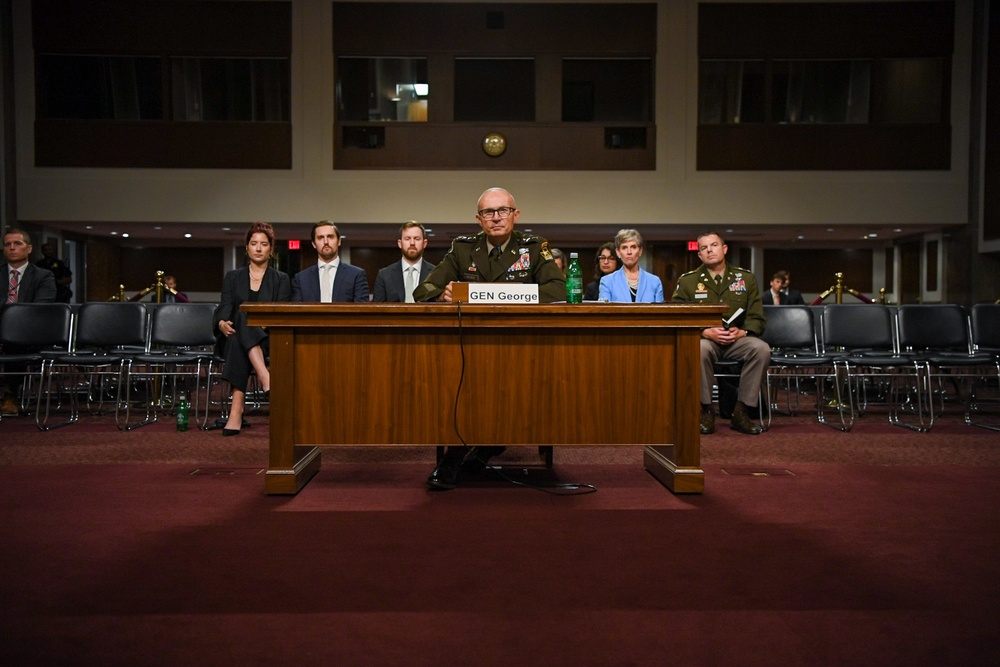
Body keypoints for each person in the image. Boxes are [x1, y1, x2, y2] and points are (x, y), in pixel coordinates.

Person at [413, 187, 565, 489]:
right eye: (488, 212)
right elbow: (423, 292)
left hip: (521, 346)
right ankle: (457, 458)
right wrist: (443, 297)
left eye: (503, 210)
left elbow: (557, 291)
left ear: (516, 215)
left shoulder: (534, 247)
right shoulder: (463, 249)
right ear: (479, 219)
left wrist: (505, 295)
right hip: (471, 347)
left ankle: (483, 449)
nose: (496, 218)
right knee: (461, 389)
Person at [672, 232, 769, 436]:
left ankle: (741, 411)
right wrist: (705, 331)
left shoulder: (745, 278)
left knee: (761, 349)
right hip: (706, 340)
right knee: (698, 350)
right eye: (704, 248)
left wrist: (743, 331)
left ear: (724, 249)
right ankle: (706, 410)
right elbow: (678, 314)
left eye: (714, 245)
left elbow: (757, 316)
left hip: (738, 339)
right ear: (699, 255)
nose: (710, 250)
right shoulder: (689, 281)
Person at [214, 222, 291, 436]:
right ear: (246, 247)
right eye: (254, 243)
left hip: (269, 337)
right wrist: (221, 323)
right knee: (239, 321)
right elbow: (225, 307)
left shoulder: (281, 279)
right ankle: (265, 377)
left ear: (271, 249)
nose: (258, 248)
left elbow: (282, 311)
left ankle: (236, 412)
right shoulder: (233, 276)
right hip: (235, 335)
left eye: (263, 244)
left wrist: (262, 323)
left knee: (242, 322)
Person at [2, 229, 57, 415]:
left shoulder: (43, 276)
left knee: (13, 341)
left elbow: (40, 308)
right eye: (7, 244)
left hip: (30, 332)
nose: (11, 248)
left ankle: (11, 396)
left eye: (17, 244)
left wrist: (12, 319)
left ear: (29, 248)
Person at [291, 221, 369, 302]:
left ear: (339, 241)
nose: (326, 242)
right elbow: (297, 312)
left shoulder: (356, 275)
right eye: (320, 238)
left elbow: (361, 311)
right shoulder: (301, 278)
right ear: (314, 244)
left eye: (330, 237)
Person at [371, 221, 437, 302]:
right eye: (407, 238)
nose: (412, 243)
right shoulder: (384, 275)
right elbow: (377, 310)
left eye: (417, 239)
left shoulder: (436, 274)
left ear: (424, 243)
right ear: (400, 243)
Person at [599, 229, 664, 303]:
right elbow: (604, 312)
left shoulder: (654, 282)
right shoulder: (607, 282)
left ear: (640, 251)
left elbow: (660, 313)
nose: (629, 252)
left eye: (633, 247)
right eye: (624, 248)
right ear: (618, 252)